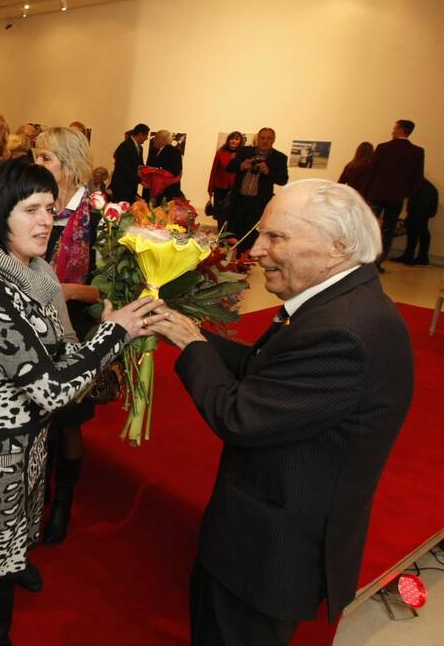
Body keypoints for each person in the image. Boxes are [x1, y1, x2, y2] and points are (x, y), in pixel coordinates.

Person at [149, 179, 413, 646]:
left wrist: (191, 346)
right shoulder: (340, 303)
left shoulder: (346, 331)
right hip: (256, 534)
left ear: (337, 247)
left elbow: (240, 415)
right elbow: (269, 368)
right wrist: (182, 328)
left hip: (271, 554)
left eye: (277, 237)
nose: (257, 250)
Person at [0, 158, 163, 644]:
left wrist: (107, 327)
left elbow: (62, 357)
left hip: (26, 443)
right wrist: (114, 334)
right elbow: (50, 387)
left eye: (49, 207)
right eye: (30, 210)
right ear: (1, 213)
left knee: (6, 560)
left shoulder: (34, 272)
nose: (45, 220)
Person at [33, 127, 105, 546]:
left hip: (75, 328)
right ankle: (38, 491)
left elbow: (114, 289)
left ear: (69, 162)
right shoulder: (35, 206)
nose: (37, 166)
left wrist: (67, 291)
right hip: (33, 326)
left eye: (46, 159)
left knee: (68, 421)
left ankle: (63, 501)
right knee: (39, 416)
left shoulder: (99, 216)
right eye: (36, 157)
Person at [362, 120, 425, 266]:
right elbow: (417, 177)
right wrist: (408, 196)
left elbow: (371, 172)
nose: (392, 131)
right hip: (396, 197)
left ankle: (364, 259)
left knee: (369, 226)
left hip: (376, 194)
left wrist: (364, 193)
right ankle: (378, 262)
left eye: (394, 128)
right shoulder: (417, 151)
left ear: (400, 130)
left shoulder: (383, 148)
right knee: (388, 230)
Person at [226, 127, 289, 255]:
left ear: (274, 140)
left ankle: (245, 261)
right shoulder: (244, 151)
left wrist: (268, 171)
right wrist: (242, 165)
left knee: (251, 235)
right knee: (233, 233)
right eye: (262, 137)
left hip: (258, 203)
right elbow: (229, 167)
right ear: (257, 138)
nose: (265, 141)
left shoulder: (279, 157)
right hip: (238, 200)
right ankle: (230, 260)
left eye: (269, 138)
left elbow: (283, 180)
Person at [394, 177, 437, 266]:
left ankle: (415, 256)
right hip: (423, 207)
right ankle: (418, 257)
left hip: (420, 207)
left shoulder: (419, 186)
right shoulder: (424, 185)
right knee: (421, 230)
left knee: (416, 230)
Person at [208, 132, 244, 224]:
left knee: (233, 213)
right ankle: (220, 233)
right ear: (228, 140)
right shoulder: (220, 152)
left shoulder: (243, 154)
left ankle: (229, 234)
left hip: (236, 188)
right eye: (232, 139)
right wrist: (210, 188)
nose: (233, 141)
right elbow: (214, 170)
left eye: (236, 139)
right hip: (220, 186)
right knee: (220, 213)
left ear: (240, 141)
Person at [110, 123, 149, 203]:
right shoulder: (125, 146)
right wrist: (140, 180)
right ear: (140, 134)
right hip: (122, 186)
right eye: (146, 136)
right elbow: (124, 168)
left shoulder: (140, 148)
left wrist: (148, 172)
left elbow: (140, 165)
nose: (147, 138)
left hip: (132, 187)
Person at [143, 129, 184, 202]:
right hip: (151, 188)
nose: (154, 140)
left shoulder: (175, 152)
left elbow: (175, 171)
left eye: (156, 138)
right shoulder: (153, 151)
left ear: (163, 139)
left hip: (166, 190)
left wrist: (157, 171)